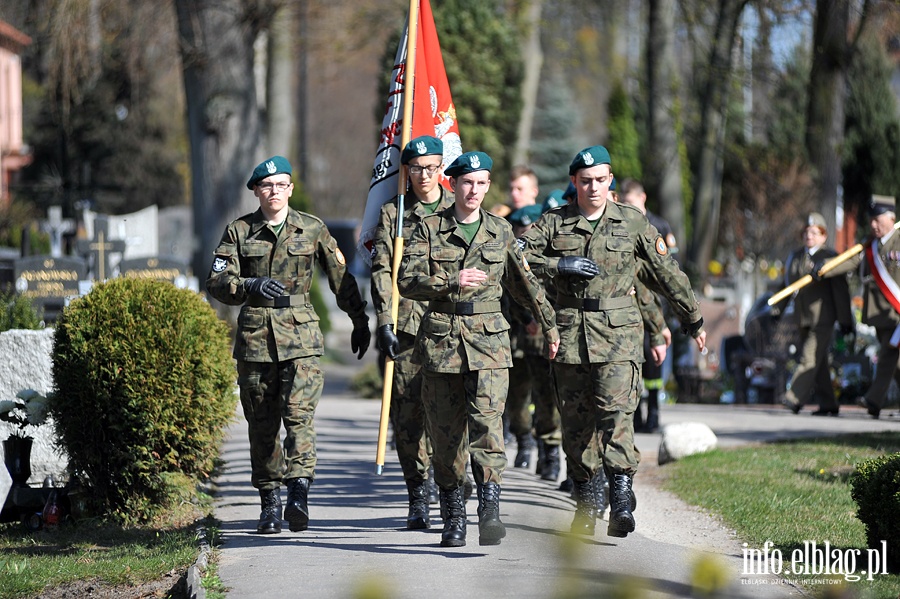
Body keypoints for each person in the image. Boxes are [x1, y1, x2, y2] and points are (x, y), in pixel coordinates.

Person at [521, 145, 705, 539]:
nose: (593, 188)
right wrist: (559, 265)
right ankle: (587, 500)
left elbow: (664, 272)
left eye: (600, 180)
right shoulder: (554, 223)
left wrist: (693, 318)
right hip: (570, 336)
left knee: (617, 415)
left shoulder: (632, 223)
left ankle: (621, 496)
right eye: (585, 181)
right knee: (576, 425)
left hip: (620, 335)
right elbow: (517, 259)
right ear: (574, 182)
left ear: (610, 182)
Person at [398, 151, 560, 548]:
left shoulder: (501, 230)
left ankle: (490, 509)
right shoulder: (428, 228)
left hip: (488, 342)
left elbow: (525, 283)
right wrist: (451, 280)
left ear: (489, 186)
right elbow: (406, 280)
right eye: (467, 182)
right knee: (446, 435)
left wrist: (551, 325)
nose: (474, 190)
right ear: (452, 184)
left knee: (488, 425)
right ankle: (454, 514)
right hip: (441, 342)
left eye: (482, 183)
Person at [206, 156, 371, 535]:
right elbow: (215, 281)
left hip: (301, 339)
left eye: (281, 185)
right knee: (262, 425)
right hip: (255, 341)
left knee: (299, 418)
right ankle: (269, 503)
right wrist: (248, 286)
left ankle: (298, 493)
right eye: (267, 186)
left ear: (291, 189)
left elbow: (340, 277)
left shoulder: (311, 228)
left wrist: (359, 319)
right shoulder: (238, 231)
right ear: (256, 191)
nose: (274, 191)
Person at [370, 136, 454, 530]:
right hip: (406, 328)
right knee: (407, 417)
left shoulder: (459, 210)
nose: (424, 175)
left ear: (442, 168)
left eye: (431, 167)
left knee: (452, 414)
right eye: (416, 168)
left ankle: (451, 483)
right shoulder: (394, 212)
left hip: (452, 329)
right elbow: (382, 269)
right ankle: (417, 494)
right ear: (406, 171)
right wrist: (384, 322)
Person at [816, 195, 899, 419]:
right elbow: (848, 261)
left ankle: (873, 400)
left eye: (877, 219)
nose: (873, 224)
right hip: (879, 313)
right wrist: (824, 268)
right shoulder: (868, 245)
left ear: (891, 217)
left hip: (897, 314)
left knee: (889, 355)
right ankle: (875, 400)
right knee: (896, 363)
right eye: (871, 220)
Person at [504, 204, 563, 481]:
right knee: (517, 399)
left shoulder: (550, 257)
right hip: (516, 341)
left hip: (543, 341)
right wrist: (523, 316)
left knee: (546, 398)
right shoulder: (512, 256)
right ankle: (525, 441)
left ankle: (549, 452)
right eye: (523, 229)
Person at [780, 212, 854, 416]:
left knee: (809, 358)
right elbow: (786, 284)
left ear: (824, 236)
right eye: (806, 232)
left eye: (814, 232)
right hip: (802, 317)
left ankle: (793, 397)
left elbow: (840, 291)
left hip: (823, 318)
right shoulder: (795, 257)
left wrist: (845, 320)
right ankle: (828, 403)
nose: (809, 236)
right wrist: (777, 309)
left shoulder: (830, 258)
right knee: (819, 364)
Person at [619, 178, 675, 432]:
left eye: (631, 202)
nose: (626, 206)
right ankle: (636, 414)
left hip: (654, 299)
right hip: (630, 299)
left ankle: (653, 410)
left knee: (654, 361)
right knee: (635, 358)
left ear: (642, 199)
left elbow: (670, 266)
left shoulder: (659, 225)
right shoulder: (619, 223)